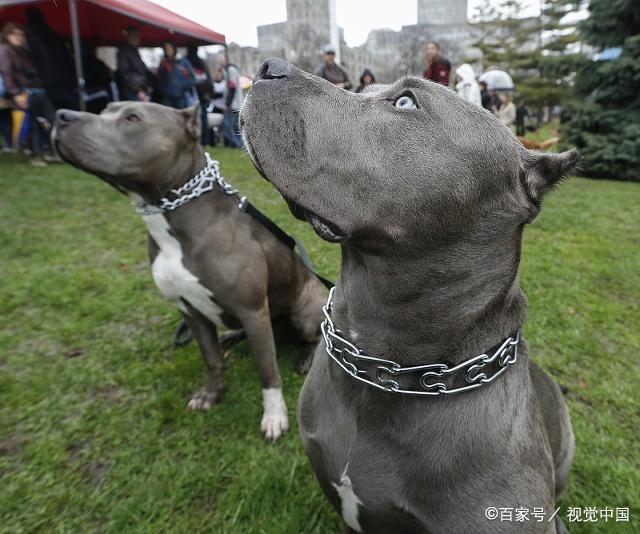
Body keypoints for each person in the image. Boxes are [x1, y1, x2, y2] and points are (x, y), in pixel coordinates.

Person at [0, 23, 55, 166]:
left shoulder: (23, 51)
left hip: (38, 90)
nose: (19, 37)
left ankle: (51, 152)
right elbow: (7, 74)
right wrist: (15, 93)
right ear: (7, 36)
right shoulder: (5, 51)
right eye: (15, 34)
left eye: (21, 34)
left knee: (50, 120)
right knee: (33, 125)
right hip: (25, 92)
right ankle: (35, 155)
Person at [24, 7, 76, 109]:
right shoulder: (51, 32)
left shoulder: (29, 34)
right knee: (70, 107)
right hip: (63, 76)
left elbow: (33, 58)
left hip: (47, 79)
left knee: (55, 109)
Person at [116, 26, 153, 102]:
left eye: (137, 36)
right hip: (133, 91)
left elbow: (142, 69)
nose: (137, 38)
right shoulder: (123, 52)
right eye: (133, 36)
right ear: (128, 37)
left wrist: (148, 84)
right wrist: (138, 91)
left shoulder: (134, 51)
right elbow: (125, 74)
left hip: (141, 87)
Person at [157, 41, 195, 109]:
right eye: (166, 48)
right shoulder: (163, 63)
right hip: (167, 98)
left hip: (181, 97)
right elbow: (159, 79)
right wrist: (163, 90)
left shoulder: (184, 62)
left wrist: (183, 87)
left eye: (169, 48)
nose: (168, 50)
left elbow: (192, 78)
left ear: (174, 49)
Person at [186, 46, 213, 145]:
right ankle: (205, 142)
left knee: (193, 120)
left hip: (192, 97)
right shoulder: (201, 63)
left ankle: (198, 142)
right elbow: (209, 81)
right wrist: (209, 95)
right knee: (203, 121)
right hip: (202, 97)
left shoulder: (187, 63)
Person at [218, 53, 243, 148]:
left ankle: (237, 144)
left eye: (221, 59)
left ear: (226, 59)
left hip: (233, 104)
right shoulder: (229, 70)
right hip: (234, 103)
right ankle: (238, 145)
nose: (219, 61)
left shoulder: (230, 70)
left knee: (229, 125)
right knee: (234, 126)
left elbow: (232, 87)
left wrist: (228, 103)